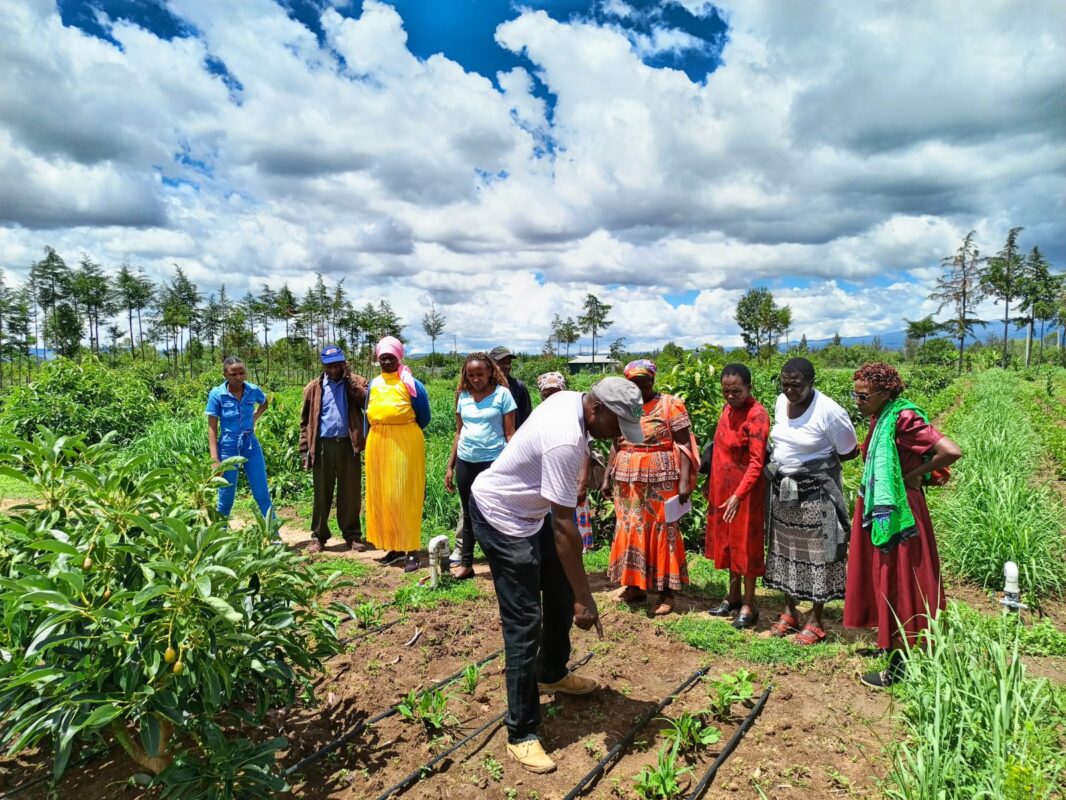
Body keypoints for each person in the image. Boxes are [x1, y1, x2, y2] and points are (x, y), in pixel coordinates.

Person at [469, 377, 646, 774]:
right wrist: (588, 598)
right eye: (617, 425)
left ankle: (550, 673)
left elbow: (561, 522)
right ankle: (521, 732)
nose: (617, 435)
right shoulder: (566, 438)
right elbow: (565, 528)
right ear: (597, 409)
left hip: (530, 515)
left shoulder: (574, 401)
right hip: (500, 516)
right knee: (524, 621)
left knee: (562, 590)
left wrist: (576, 592)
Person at [844, 363, 961, 688]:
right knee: (885, 575)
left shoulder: (904, 418)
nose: (858, 400)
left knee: (900, 578)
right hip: (883, 504)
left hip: (899, 508)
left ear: (886, 392)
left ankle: (900, 664)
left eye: (863, 395)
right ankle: (889, 642)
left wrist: (911, 476)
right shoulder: (881, 416)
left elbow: (951, 451)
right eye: (855, 394)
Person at [763, 357, 858, 645]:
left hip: (818, 493)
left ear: (812, 382)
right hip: (785, 493)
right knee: (787, 551)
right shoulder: (781, 401)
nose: (790, 390)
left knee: (821, 555)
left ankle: (816, 620)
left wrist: (810, 470)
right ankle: (790, 611)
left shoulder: (829, 412)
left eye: (797, 385)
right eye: (785, 383)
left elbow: (849, 451)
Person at [602, 360, 695, 616]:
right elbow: (615, 443)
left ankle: (666, 592)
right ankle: (635, 586)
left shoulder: (670, 405)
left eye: (646, 383)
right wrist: (607, 476)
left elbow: (685, 443)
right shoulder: (622, 407)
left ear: (653, 381)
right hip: (627, 479)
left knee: (662, 529)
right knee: (631, 527)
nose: (641, 389)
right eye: (635, 384)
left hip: (661, 477)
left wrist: (685, 481)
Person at [705, 364, 770, 629]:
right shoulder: (727, 410)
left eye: (737, 391)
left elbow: (757, 462)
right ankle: (732, 596)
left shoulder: (757, 415)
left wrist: (738, 495)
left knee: (746, 545)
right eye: (726, 391)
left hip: (745, 493)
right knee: (729, 544)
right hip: (722, 488)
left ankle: (748, 604)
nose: (731, 396)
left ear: (749, 388)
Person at [445, 352, 517, 580]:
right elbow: (458, 432)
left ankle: (501, 563)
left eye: (480, 374)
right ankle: (466, 564)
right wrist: (450, 466)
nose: (476, 379)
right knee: (468, 512)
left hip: (493, 462)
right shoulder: (463, 396)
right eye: (471, 375)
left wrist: (514, 466)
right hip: (466, 460)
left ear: (490, 373)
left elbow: (510, 433)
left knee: (495, 511)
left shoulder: (502, 395)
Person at [364, 336, 431, 573]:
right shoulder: (373, 384)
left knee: (404, 495)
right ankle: (393, 546)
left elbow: (424, 416)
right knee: (385, 496)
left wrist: (402, 429)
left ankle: (411, 550)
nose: (386, 362)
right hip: (378, 443)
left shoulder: (411, 384)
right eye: (382, 358)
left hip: (405, 442)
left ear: (399, 357)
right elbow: (367, 414)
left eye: (391, 357)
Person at [299, 345, 369, 553]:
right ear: (323, 365)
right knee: (322, 492)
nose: (335, 369)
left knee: (351, 493)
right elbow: (305, 422)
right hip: (322, 446)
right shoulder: (313, 388)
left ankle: (352, 535)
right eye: (330, 365)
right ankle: (318, 536)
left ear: (344, 363)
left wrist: (349, 381)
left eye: (338, 364)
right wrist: (305, 449)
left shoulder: (357, 383)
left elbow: (366, 402)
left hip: (349, 445)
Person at [206, 357, 273, 523]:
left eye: (241, 373)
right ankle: (219, 537)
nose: (238, 377)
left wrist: (254, 418)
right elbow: (212, 428)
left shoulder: (252, 390)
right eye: (233, 374)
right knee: (226, 496)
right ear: (225, 375)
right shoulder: (217, 394)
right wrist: (214, 459)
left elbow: (264, 403)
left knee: (262, 494)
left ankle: (273, 535)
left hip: (250, 444)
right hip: (227, 447)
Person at [490, 346, 533, 428]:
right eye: (502, 362)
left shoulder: (518, 386)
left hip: (515, 437)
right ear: (491, 364)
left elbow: (527, 416)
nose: (506, 366)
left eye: (508, 363)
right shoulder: (485, 387)